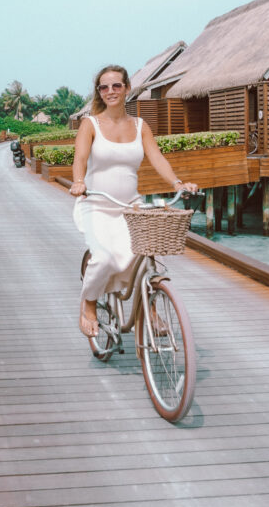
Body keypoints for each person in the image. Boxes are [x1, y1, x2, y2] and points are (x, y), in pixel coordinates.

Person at [70, 64, 198, 338]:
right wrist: (79, 182)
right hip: (96, 205)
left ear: (127, 88)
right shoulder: (90, 124)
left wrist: (177, 183)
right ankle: (89, 303)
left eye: (116, 85)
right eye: (104, 87)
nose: (110, 91)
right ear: (99, 92)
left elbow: (157, 158)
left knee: (143, 255)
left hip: (131, 207)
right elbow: (79, 159)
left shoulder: (140, 126)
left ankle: (147, 308)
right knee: (104, 258)